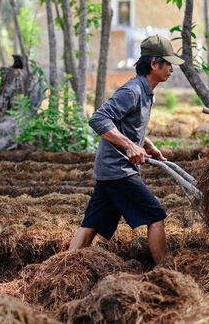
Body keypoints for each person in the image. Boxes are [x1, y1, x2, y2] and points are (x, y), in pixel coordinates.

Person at [69, 34, 184, 264]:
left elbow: (129, 125)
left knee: (90, 225)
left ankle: (61, 268)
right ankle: (166, 272)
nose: (171, 68)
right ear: (154, 64)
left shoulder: (146, 91)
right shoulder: (132, 90)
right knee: (156, 215)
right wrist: (131, 146)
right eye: (168, 63)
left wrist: (147, 145)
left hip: (110, 170)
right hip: (119, 170)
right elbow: (99, 119)